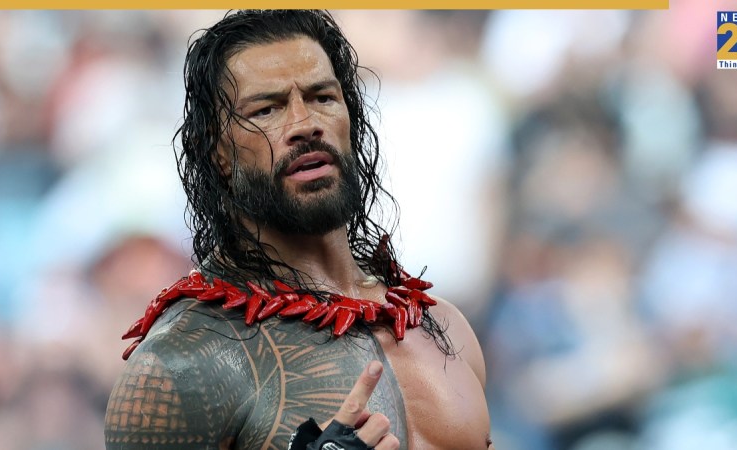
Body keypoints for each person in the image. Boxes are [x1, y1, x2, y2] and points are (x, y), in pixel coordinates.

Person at [104, 10, 494, 450]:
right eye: (266, 109)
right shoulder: (179, 366)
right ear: (216, 152)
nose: (306, 124)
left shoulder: (443, 328)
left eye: (322, 97)